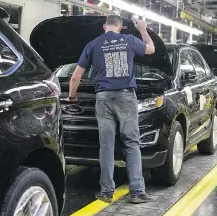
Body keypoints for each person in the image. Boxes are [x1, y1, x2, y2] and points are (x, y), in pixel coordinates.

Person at [66, 15, 155, 203]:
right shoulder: (129, 40)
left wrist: (72, 96)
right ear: (121, 27)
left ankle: (106, 192)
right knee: (131, 142)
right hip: (126, 97)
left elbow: (75, 77)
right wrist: (142, 29)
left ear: (104, 26)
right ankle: (137, 192)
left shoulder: (93, 44)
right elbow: (151, 49)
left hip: (103, 97)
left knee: (106, 145)